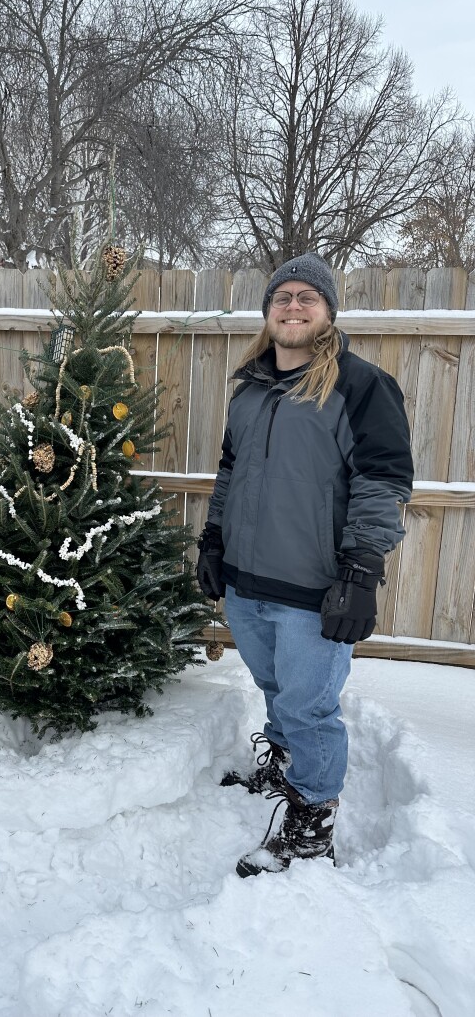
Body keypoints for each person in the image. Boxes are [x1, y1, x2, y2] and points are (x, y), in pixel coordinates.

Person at [196, 252, 413, 877]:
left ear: (327, 311)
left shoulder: (362, 385)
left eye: (306, 297)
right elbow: (229, 473)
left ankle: (313, 822)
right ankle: (285, 764)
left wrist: (361, 572)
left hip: (315, 589)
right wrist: (214, 542)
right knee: (275, 691)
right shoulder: (251, 389)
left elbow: (382, 480)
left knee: (310, 707)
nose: (294, 306)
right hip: (247, 581)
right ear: (268, 311)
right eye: (283, 296)